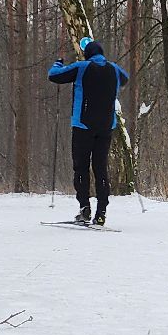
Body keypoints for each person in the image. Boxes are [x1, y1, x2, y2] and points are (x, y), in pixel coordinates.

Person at [47, 37, 129, 225]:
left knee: (81, 167)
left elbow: (54, 75)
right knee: (100, 168)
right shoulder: (114, 69)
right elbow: (125, 78)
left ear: (87, 54)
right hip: (106, 127)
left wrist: (57, 62)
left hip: (83, 126)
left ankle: (84, 208)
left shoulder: (82, 67)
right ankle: (101, 212)